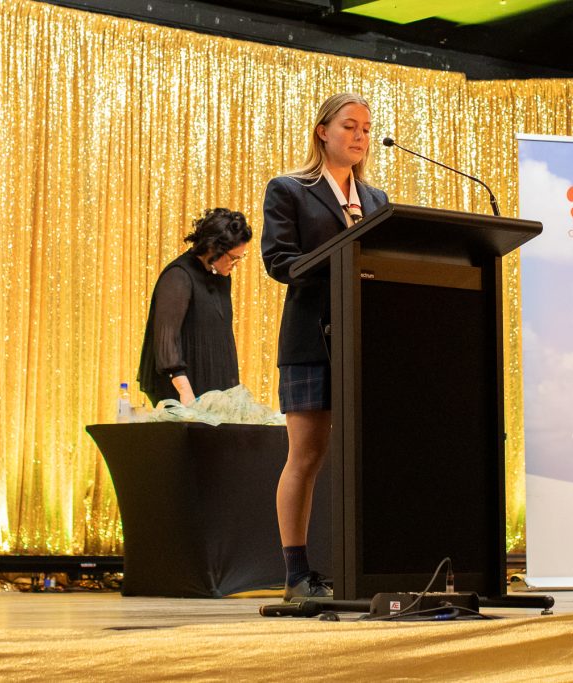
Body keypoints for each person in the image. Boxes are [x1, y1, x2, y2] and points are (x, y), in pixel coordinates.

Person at [261, 93, 389, 601]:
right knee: (307, 454)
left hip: (365, 340)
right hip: (310, 337)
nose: (359, 136)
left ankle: (368, 568)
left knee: (369, 455)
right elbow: (279, 262)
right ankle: (297, 573)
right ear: (322, 131)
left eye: (365, 128)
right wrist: (338, 255)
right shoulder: (290, 188)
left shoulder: (377, 201)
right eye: (349, 126)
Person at [137, 208, 252, 407]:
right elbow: (166, 339)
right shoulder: (178, 276)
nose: (236, 264)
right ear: (213, 249)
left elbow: (220, 336)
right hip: (184, 390)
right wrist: (185, 392)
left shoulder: (220, 277)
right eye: (233, 258)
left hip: (213, 389)